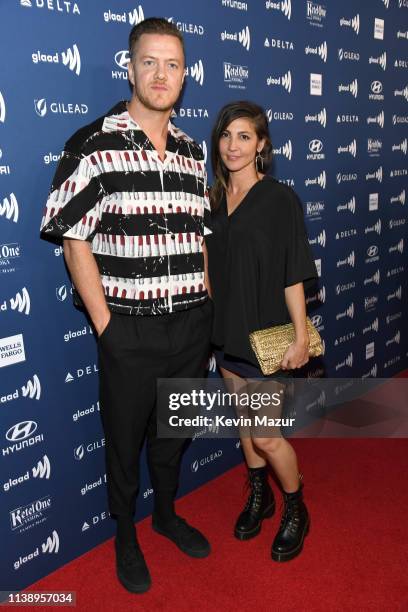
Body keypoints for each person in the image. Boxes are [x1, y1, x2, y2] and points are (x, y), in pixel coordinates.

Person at [40, 18, 213, 593]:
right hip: (128, 330)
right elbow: (72, 236)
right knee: (123, 439)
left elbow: (202, 237)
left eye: (173, 65)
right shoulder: (93, 144)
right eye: (150, 62)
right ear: (130, 67)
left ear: (184, 76)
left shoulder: (192, 152)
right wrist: (107, 324)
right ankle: (125, 533)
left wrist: (208, 309)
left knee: (173, 432)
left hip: (191, 323)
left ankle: (165, 513)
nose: (161, 75)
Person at [205, 101, 318, 561]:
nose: (234, 145)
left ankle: (296, 507)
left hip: (267, 332)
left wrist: (300, 336)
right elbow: (210, 265)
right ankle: (260, 495)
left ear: (262, 145)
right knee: (245, 428)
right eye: (227, 135)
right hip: (225, 331)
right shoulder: (212, 200)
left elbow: (292, 272)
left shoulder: (279, 199)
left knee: (267, 434)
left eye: (245, 136)